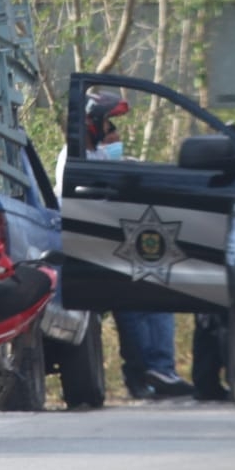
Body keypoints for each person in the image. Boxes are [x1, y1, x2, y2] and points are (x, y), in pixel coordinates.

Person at [76, 91, 193, 401]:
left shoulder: (101, 157)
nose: (114, 133)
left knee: (158, 290)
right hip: (92, 250)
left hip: (117, 244)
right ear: (91, 124)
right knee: (133, 300)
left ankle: (161, 371)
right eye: (109, 124)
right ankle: (143, 372)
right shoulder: (75, 160)